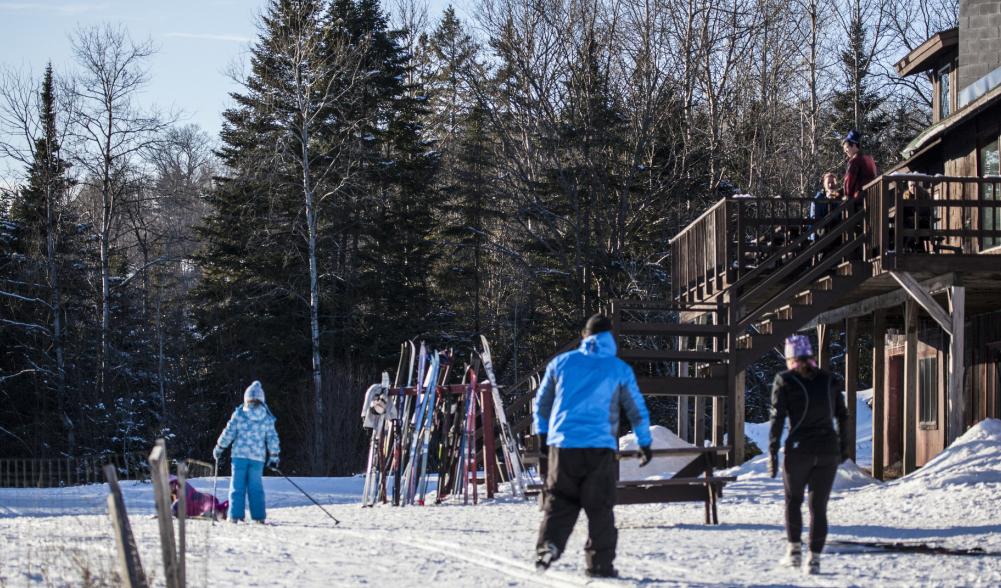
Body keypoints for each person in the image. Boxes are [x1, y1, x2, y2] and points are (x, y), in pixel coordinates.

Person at [533, 314, 653, 578]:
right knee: (600, 508)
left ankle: (549, 545)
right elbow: (636, 409)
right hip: (600, 447)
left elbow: (542, 402)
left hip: (563, 446)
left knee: (560, 500)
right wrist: (644, 441)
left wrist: (541, 433)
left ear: (584, 336)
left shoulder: (561, 363)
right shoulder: (618, 368)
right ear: (610, 338)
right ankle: (600, 564)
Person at [768, 335, 850, 575]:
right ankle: (813, 559)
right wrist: (843, 447)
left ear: (790, 357)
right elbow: (843, 416)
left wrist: (773, 451)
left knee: (793, 500)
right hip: (828, 450)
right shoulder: (830, 380)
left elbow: (777, 417)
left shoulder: (784, 380)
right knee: (819, 506)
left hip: (799, 450)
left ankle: (794, 553)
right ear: (811, 355)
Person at [213, 380, 281, 524]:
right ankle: (259, 517)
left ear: (246, 398)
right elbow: (272, 438)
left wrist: (219, 447)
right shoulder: (266, 417)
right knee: (255, 488)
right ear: (262, 400)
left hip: (239, 457)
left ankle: (234, 515)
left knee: (237, 487)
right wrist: (274, 455)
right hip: (257, 459)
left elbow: (229, 432)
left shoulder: (239, 414)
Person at [842, 129, 878, 202]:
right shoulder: (869, 158)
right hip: (873, 196)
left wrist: (847, 196)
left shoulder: (854, 161)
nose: (846, 152)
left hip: (859, 199)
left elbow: (849, 180)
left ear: (854, 145)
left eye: (846, 148)